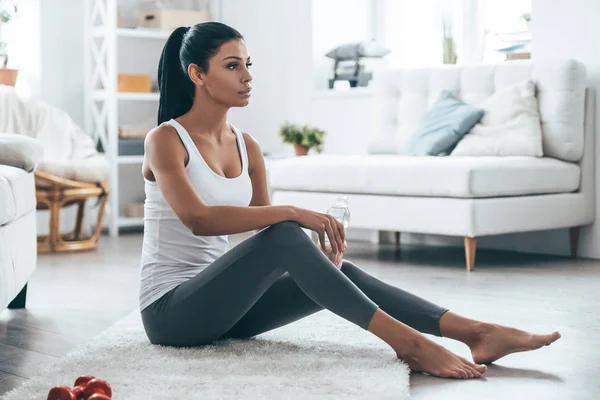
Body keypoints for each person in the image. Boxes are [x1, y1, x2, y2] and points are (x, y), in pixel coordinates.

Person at [139, 22, 560, 380]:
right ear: (197, 74)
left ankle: (475, 332)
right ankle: (410, 343)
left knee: (339, 267)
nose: (247, 76)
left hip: (226, 313)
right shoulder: (165, 139)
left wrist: (316, 263)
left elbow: (262, 234)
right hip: (172, 315)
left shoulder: (246, 145)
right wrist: (295, 213)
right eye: (232, 66)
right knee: (287, 231)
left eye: (248, 64)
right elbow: (198, 219)